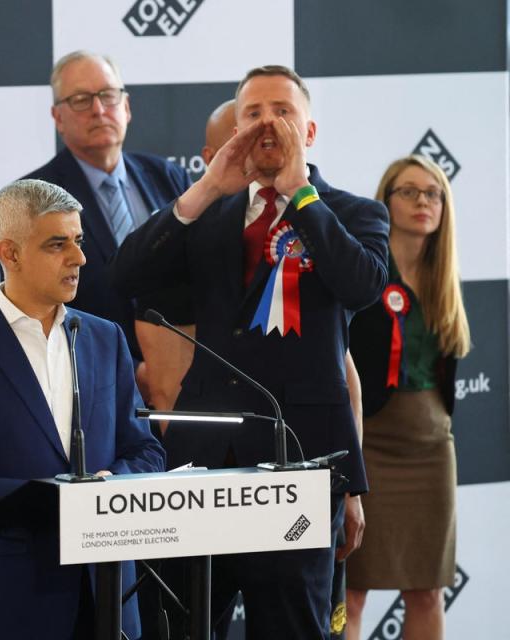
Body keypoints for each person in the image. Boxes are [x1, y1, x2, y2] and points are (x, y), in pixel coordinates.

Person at [110, 65, 390, 639]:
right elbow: (124, 275)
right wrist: (208, 187)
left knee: (292, 627)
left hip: (302, 461)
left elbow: (362, 287)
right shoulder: (207, 215)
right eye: (252, 113)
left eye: (282, 111)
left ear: (309, 132)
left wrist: (300, 196)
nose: (266, 123)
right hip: (203, 456)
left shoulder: (355, 213)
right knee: (184, 623)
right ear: (234, 129)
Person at [0, 178, 165, 640]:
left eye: (80, 241)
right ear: (9, 254)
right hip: (9, 605)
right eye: (57, 244)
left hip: (108, 597)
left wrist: (112, 488)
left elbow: (144, 451)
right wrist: (44, 498)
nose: (80, 258)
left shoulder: (106, 339)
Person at [345, 155, 470, 640]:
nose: (423, 201)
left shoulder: (445, 280)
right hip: (370, 446)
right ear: (386, 201)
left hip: (432, 452)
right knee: (353, 590)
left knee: (427, 591)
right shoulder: (366, 269)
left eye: (434, 193)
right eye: (410, 191)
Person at [23, 51, 194, 397]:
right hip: (89, 390)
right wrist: (132, 372)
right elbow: (34, 312)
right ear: (57, 117)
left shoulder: (169, 178)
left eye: (107, 96)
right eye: (81, 100)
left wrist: (170, 369)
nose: (99, 110)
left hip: (183, 387)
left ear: (126, 107)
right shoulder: (33, 199)